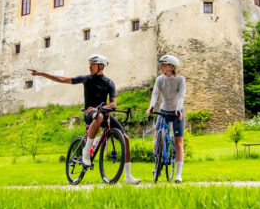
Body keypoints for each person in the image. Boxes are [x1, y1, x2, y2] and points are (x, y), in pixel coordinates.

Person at [28, 54, 140, 184]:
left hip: (103, 112)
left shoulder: (109, 83)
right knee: (99, 116)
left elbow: (113, 104)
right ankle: (86, 151)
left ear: (101, 66)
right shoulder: (86, 79)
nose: (89, 66)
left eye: (92, 64)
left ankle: (127, 176)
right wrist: (42, 74)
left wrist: (104, 108)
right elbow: (63, 79)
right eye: (90, 64)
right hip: (90, 112)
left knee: (125, 138)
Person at [146, 54, 186, 183]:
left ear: (171, 66)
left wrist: (179, 109)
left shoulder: (180, 80)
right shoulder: (160, 80)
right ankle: (157, 163)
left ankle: (178, 175)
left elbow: (181, 96)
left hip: (176, 112)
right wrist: (151, 107)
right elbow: (155, 94)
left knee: (178, 142)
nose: (161, 67)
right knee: (157, 137)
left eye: (163, 64)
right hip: (164, 111)